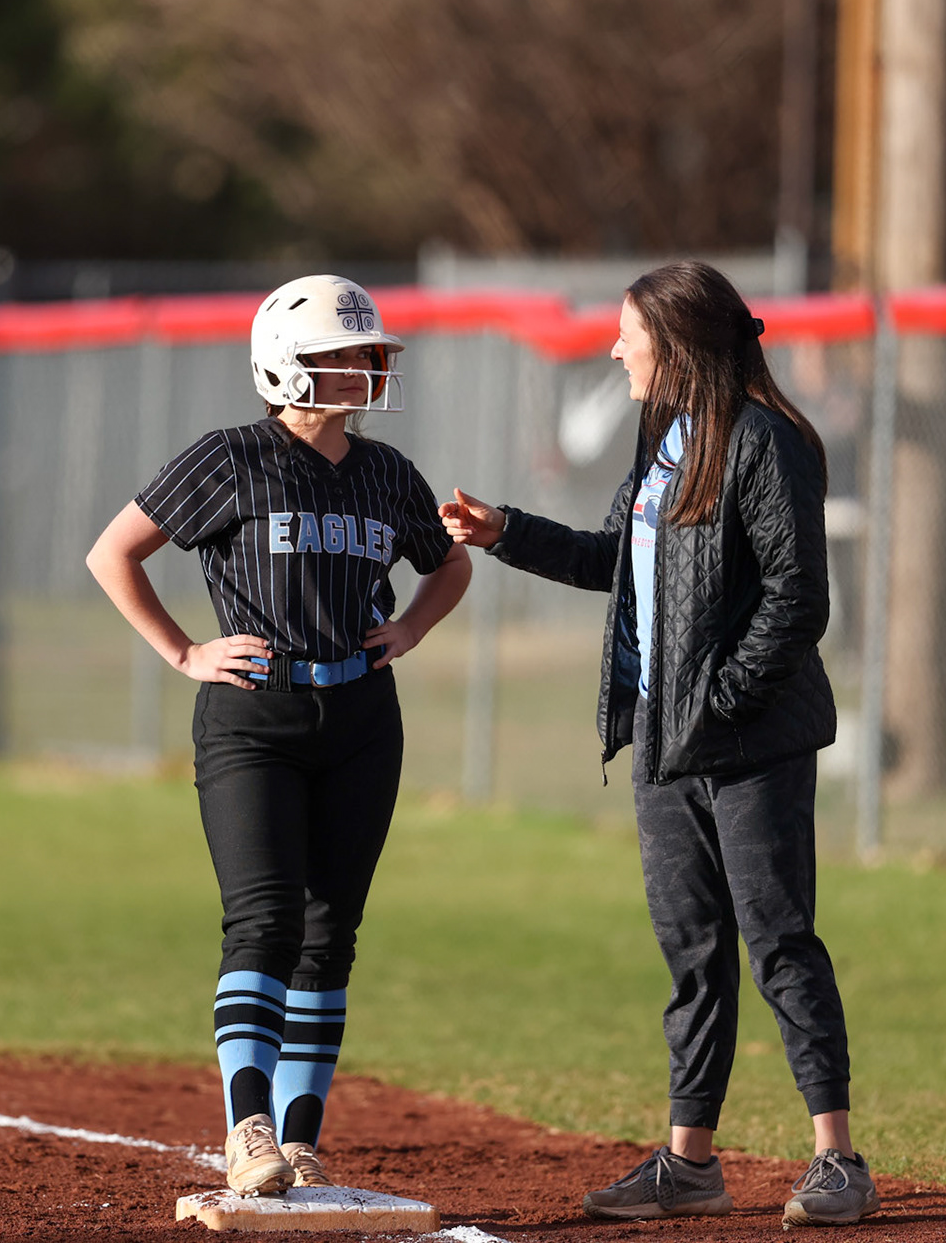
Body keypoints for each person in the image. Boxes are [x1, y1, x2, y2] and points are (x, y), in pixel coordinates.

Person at [441, 261, 877, 1228]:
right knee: (692, 953)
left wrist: (718, 700)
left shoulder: (768, 441)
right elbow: (615, 563)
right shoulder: (664, 440)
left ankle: (838, 1160)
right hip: (663, 746)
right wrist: (505, 531)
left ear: (675, 345)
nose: (612, 349)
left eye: (626, 335)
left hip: (749, 742)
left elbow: (798, 599)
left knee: (780, 943)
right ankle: (690, 1166)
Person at [87, 275, 471, 1199]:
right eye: (345, 355)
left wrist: (411, 629)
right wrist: (183, 652)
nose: (366, 369)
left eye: (368, 354)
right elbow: (114, 553)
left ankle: (301, 1140)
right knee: (263, 919)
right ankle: (247, 1126)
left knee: (330, 935)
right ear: (286, 366)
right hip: (254, 717)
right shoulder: (229, 457)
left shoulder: (387, 472)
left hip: (361, 720)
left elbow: (449, 562)